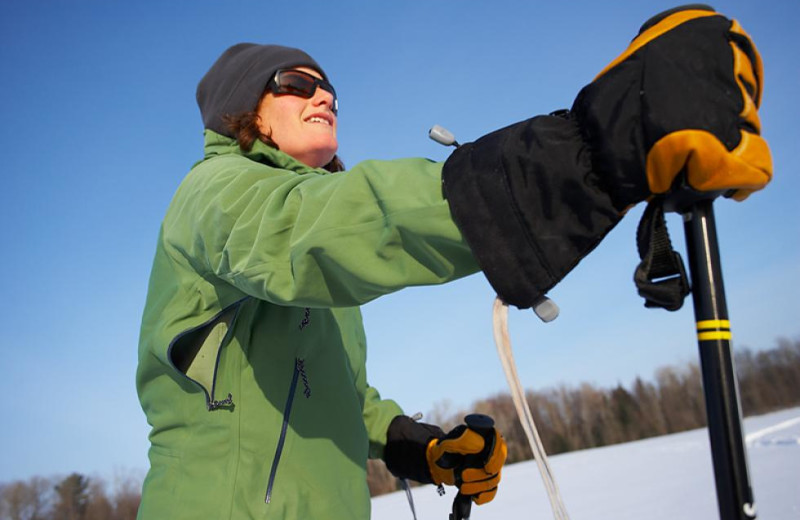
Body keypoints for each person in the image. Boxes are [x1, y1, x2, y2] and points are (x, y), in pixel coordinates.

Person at [136, 6, 771, 520]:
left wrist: (420, 446)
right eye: (298, 84)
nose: (324, 95)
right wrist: (585, 153)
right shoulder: (214, 192)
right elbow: (326, 227)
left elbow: (345, 401)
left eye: (330, 87)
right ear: (244, 112)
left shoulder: (316, 262)